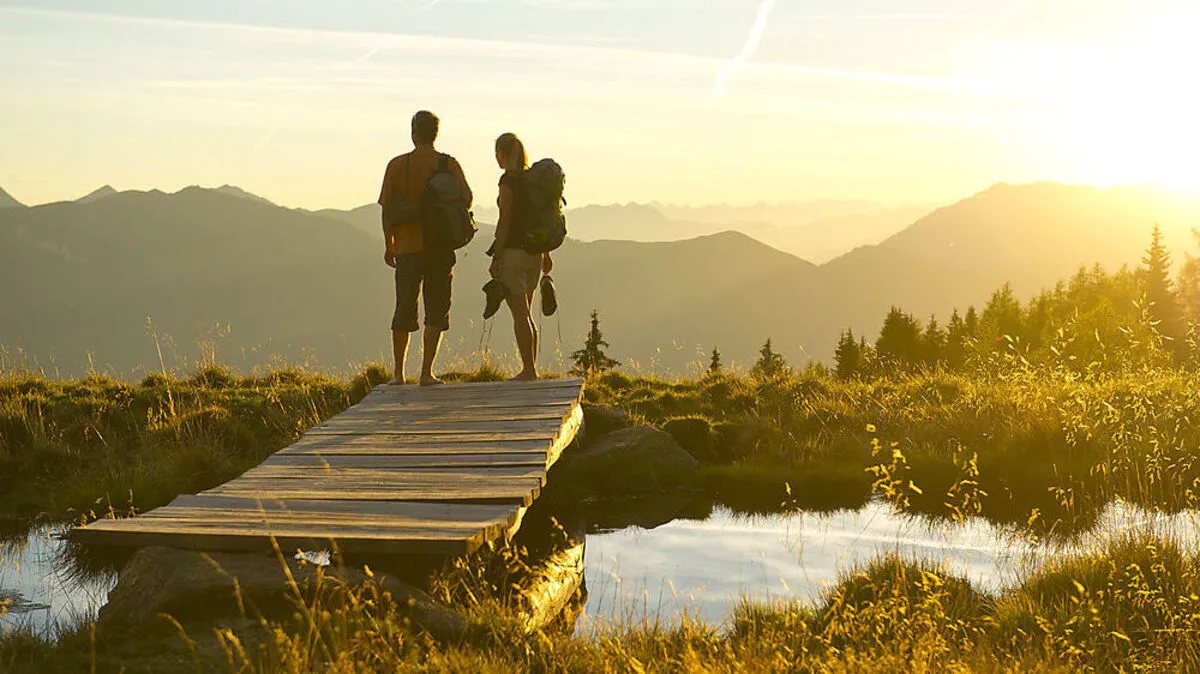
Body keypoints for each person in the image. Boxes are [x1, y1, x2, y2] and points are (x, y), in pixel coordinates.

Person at [378, 110, 473, 385]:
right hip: (440, 246)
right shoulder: (449, 164)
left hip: (407, 246)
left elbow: (388, 209)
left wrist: (389, 243)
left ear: (413, 132)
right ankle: (426, 372)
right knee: (437, 306)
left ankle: (398, 374)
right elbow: (466, 199)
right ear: (435, 134)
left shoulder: (397, 165)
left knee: (404, 306)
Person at [489, 132, 553, 381]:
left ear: (502, 154)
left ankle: (529, 370)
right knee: (526, 312)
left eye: (497, 153)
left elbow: (505, 219)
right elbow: (539, 220)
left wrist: (498, 254)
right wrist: (545, 254)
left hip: (514, 253)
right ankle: (531, 368)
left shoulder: (508, 182)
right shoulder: (531, 182)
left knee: (520, 314)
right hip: (534, 254)